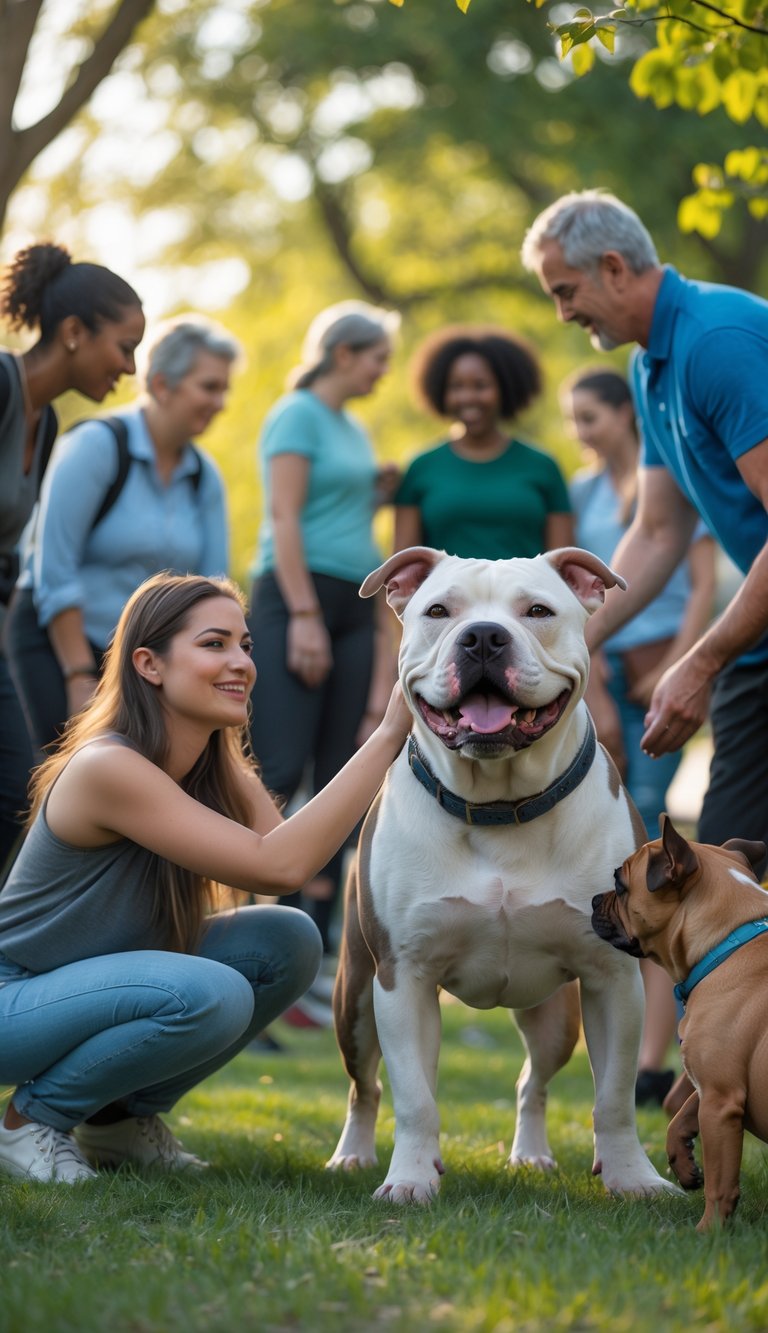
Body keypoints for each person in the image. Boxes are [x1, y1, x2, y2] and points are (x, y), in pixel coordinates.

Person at [0, 571, 411, 1183]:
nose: (241, 662)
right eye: (214, 644)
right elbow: (284, 863)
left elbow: (286, 856)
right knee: (211, 994)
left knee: (288, 939)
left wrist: (230, 758)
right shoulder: (108, 767)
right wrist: (389, 733)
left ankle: (116, 1121)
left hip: (86, 989)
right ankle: (29, 1122)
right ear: (150, 664)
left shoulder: (204, 766)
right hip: (15, 1003)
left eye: (245, 645)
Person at [521, 189, 768, 859]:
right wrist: (569, 643)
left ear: (613, 266)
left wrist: (700, 661)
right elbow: (658, 531)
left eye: (566, 290)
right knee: (722, 863)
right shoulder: (647, 365)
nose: (563, 311)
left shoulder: (716, 340)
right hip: (760, 639)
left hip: (742, 641)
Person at [562, 365, 716, 1105]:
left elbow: (703, 582)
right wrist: (591, 683)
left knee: (654, 860)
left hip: (663, 668)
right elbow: (567, 604)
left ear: (627, 416)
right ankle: (619, 1057)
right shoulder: (580, 494)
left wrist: (689, 665)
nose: (580, 433)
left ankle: (656, 1059)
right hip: (600, 674)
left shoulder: (673, 482)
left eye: (589, 417)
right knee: (611, 861)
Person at [248, 300, 399, 1015]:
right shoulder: (298, 413)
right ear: (345, 353)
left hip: (353, 601)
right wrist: (303, 613)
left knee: (344, 781)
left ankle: (309, 970)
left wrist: (377, 491)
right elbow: (284, 516)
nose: (382, 373)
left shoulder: (351, 426)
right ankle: (253, 954)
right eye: (377, 359)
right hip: (294, 598)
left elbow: (334, 510)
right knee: (278, 772)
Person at [5, 314, 234, 756]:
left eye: (224, 389)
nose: (221, 401)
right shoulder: (96, 447)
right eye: (209, 387)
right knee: (57, 783)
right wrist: (78, 676)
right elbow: (55, 571)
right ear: (163, 385)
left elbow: (212, 593)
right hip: (58, 646)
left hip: (141, 662)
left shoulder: (205, 478)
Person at [0, 242, 144, 878]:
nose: (131, 368)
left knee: (14, 792)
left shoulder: (49, 422)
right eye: (124, 346)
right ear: (74, 333)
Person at [394, 325, 573, 557]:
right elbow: (402, 567)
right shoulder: (421, 467)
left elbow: (563, 563)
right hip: (446, 594)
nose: (467, 397)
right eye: (456, 386)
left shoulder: (542, 466)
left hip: (524, 594)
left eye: (481, 386)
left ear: (506, 389)